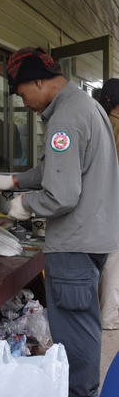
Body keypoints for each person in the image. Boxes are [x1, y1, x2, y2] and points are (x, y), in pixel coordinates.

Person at [0, 47, 119, 397]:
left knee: (74, 332)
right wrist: (14, 181)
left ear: (37, 81)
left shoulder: (66, 118)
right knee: (82, 324)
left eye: (21, 92)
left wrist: (23, 206)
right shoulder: (86, 106)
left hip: (73, 244)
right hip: (93, 237)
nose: (23, 102)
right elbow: (60, 167)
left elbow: (62, 195)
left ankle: (79, 392)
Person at [98, 78, 119, 330]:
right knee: (114, 260)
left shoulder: (102, 124)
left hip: (103, 199)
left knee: (109, 258)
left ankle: (107, 311)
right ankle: (108, 316)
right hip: (115, 198)